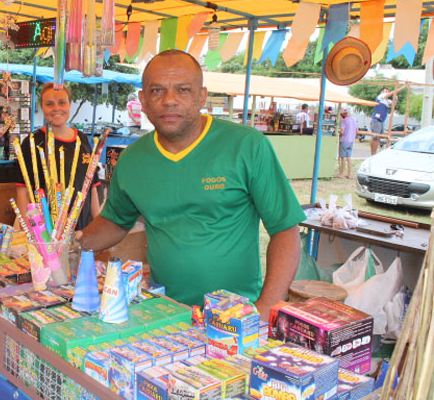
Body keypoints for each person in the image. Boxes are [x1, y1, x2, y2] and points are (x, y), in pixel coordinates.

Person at [77, 50, 304, 317]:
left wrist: (267, 307)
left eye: (183, 90)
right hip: (163, 310)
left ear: (202, 96)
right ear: (143, 100)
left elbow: (285, 230)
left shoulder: (247, 146)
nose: (169, 101)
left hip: (236, 315)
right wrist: (72, 243)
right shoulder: (131, 160)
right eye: (157, 91)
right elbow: (116, 221)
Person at [16, 83, 101, 231]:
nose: (56, 108)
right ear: (42, 107)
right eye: (49, 104)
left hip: (80, 230)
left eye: (62, 102)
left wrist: (98, 226)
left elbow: (90, 186)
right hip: (45, 234)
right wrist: (31, 233)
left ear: (69, 104)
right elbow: (23, 192)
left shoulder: (83, 140)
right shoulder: (32, 143)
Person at [370, 84, 407, 155]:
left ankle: (374, 153)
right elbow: (392, 93)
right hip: (376, 119)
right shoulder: (380, 97)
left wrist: (395, 99)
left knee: (378, 138)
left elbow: (393, 104)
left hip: (381, 120)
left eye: (387, 91)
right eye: (385, 91)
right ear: (382, 92)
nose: (387, 92)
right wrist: (403, 86)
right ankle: (373, 153)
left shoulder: (386, 101)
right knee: (375, 137)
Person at [337, 107, 357, 179]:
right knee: (349, 157)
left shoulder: (344, 120)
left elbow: (342, 131)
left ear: (343, 113)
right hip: (351, 140)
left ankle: (341, 173)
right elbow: (356, 130)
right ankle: (349, 174)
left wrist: (338, 131)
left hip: (345, 140)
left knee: (343, 158)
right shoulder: (354, 119)